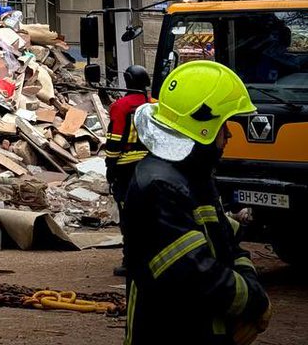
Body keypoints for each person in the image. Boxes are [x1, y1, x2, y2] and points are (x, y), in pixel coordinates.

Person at [122, 61, 271, 345]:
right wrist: (256, 302)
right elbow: (194, 276)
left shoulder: (193, 176)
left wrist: (252, 297)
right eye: (224, 125)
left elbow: (230, 243)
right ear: (204, 127)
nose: (229, 134)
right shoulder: (161, 186)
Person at [105, 64, 152, 277]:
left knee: (129, 217)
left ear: (128, 81)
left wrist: (110, 166)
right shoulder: (154, 105)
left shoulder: (120, 106)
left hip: (126, 168)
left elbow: (114, 141)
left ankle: (131, 261)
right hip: (151, 165)